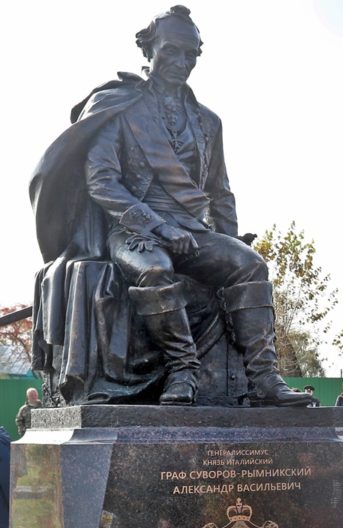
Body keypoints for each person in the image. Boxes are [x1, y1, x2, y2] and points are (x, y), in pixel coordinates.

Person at [30, 6, 309, 407]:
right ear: (149, 50)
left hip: (193, 231)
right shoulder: (119, 107)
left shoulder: (209, 121)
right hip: (134, 230)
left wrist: (229, 239)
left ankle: (264, 378)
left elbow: (220, 192)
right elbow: (101, 181)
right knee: (156, 267)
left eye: (191, 55)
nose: (181, 62)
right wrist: (159, 228)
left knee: (250, 263)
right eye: (172, 51)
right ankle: (183, 369)